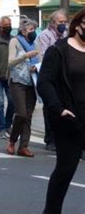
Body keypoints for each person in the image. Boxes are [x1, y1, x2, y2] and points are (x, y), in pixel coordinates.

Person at [38, 9, 85, 214]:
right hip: (70, 120)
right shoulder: (59, 50)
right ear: (79, 24)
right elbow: (45, 82)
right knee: (66, 170)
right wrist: (59, 109)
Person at [6, 18, 41, 157]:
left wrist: (35, 67)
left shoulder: (35, 43)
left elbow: (40, 60)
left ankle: (23, 146)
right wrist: (25, 56)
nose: (33, 32)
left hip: (32, 82)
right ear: (23, 30)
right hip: (17, 81)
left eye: (34, 29)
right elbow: (10, 63)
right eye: (31, 30)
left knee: (29, 115)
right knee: (21, 113)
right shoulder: (15, 41)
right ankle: (12, 140)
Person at [37, 9, 68, 152]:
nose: (63, 24)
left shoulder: (67, 35)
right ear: (52, 22)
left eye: (65, 22)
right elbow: (43, 56)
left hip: (65, 76)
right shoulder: (45, 35)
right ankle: (50, 139)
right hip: (51, 75)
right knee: (50, 107)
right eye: (60, 22)